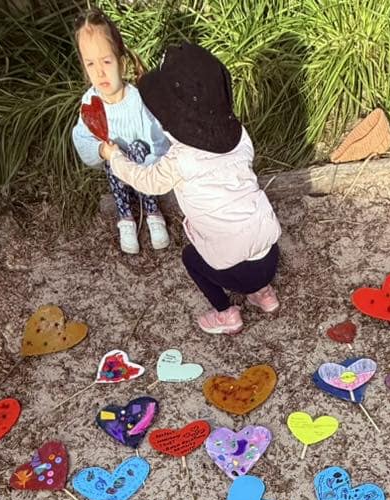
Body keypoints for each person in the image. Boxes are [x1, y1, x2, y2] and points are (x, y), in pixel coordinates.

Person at [99, 42, 281, 335]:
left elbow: (146, 181)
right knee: (246, 234)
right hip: (269, 255)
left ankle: (226, 313)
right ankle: (264, 294)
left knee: (191, 259)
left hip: (236, 268)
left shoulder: (181, 159)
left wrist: (115, 158)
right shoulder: (239, 135)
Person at [71, 7, 170, 255]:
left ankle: (151, 210)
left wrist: (150, 169)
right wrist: (102, 150)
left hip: (143, 171)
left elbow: (157, 139)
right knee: (112, 155)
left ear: (121, 62)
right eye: (91, 64)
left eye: (106, 61)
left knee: (137, 147)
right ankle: (125, 217)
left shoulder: (137, 100)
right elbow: (81, 137)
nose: (100, 72)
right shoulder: (91, 102)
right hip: (116, 169)